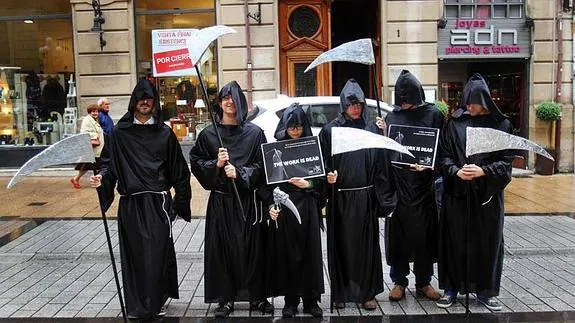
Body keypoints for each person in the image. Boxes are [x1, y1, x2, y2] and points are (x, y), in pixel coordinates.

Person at [89, 79, 192, 319]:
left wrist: (179, 203)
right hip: (132, 203)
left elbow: (179, 171)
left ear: (154, 102)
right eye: (141, 98)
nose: (145, 102)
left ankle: (156, 300)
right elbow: (108, 165)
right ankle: (137, 303)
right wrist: (101, 179)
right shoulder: (120, 134)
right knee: (135, 253)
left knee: (156, 252)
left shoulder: (164, 133)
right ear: (134, 102)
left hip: (157, 203)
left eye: (149, 98)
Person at [189, 81, 271, 318]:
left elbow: (263, 165)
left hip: (249, 202)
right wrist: (217, 164)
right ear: (219, 102)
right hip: (223, 202)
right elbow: (196, 163)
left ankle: (258, 296)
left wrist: (241, 173)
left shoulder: (255, 134)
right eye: (225, 97)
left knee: (254, 249)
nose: (229, 102)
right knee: (223, 250)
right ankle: (225, 298)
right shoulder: (209, 134)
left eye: (233, 98)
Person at [436, 73, 512, 311]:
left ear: (485, 100)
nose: (468, 105)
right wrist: (456, 171)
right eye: (466, 101)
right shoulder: (454, 124)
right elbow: (444, 156)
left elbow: (506, 162)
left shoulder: (502, 125)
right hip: (457, 195)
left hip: (486, 198)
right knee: (453, 242)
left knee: (486, 244)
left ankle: (486, 291)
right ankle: (450, 289)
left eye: (473, 101)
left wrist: (484, 171)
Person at [318, 78, 387, 310]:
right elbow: (322, 163)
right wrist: (327, 177)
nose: (355, 108)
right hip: (340, 198)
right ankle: (340, 293)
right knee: (341, 246)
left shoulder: (372, 128)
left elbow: (381, 164)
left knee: (367, 247)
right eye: (351, 104)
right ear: (343, 105)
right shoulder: (330, 130)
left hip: (365, 197)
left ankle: (367, 293)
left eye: (359, 104)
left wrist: (384, 133)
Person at [383, 70, 444, 302]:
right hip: (399, 188)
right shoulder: (392, 117)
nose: (406, 105)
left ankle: (424, 282)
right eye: (402, 101)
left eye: (409, 101)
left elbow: (443, 149)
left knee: (423, 238)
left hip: (424, 189)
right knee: (398, 239)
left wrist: (432, 167)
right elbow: (386, 152)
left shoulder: (434, 115)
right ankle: (399, 281)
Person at [265, 103, 324, 318]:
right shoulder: (275, 150)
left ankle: (311, 300)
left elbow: (321, 181)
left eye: (299, 127)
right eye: (292, 128)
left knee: (309, 253)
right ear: (285, 128)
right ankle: (290, 300)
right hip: (286, 207)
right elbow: (267, 185)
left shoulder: (313, 147)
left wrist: (308, 185)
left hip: (308, 206)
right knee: (288, 254)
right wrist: (271, 206)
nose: (296, 131)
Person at [70, 104, 104, 189]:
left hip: (96, 148)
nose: (95, 113)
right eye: (93, 111)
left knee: (93, 165)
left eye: (96, 111)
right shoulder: (87, 120)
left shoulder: (94, 120)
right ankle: (76, 179)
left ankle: (96, 180)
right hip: (92, 148)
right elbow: (84, 133)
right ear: (89, 112)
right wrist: (95, 135)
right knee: (90, 166)